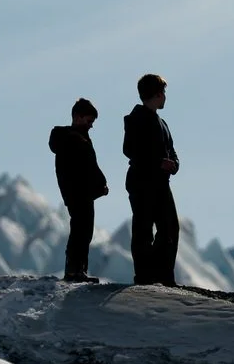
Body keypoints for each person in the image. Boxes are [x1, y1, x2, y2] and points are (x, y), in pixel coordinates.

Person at [122, 73, 180, 285]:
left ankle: (163, 276)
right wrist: (158, 163)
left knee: (170, 228)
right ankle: (145, 277)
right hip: (142, 181)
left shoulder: (162, 122)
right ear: (156, 94)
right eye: (163, 93)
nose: (165, 97)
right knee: (144, 229)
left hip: (161, 183)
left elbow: (172, 151)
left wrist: (174, 164)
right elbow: (129, 149)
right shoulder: (135, 118)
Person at [49, 98, 109, 282]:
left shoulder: (70, 138)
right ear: (77, 117)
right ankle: (75, 270)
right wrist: (99, 184)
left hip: (77, 192)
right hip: (79, 193)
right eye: (89, 121)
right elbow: (87, 167)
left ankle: (76, 270)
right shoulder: (74, 139)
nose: (91, 125)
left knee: (82, 229)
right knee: (81, 230)